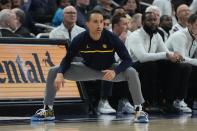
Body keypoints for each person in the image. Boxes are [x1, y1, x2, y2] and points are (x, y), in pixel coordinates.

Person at [31, 10, 149, 123]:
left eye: (101, 21)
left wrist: (116, 71)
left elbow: (127, 60)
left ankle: (139, 110)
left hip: (109, 70)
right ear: (87, 24)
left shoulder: (111, 37)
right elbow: (67, 59)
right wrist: (60, 73)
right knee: (53, 71)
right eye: (95, 21)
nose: (99, 25)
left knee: (132, 72)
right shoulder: (80, 38)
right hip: (86, 69)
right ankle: (48, 110)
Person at [125, 12, 192, 113]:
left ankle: (170, 101)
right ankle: (148, 102)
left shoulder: (156, 35)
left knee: (181, 66)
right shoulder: (136, 35)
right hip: (131, 66)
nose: (153, 22)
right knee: (151, 65)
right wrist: (167, 55)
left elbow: (167, 53)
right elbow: (142, 57)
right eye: (149, 20)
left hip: (149, 64)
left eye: (155, 20)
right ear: (143, 22)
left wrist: (177, 59)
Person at [166, 13, 197, 104]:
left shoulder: (194, 35)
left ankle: (192, 100)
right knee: (186, 67)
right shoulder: (180, 36)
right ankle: (179, 100)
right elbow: (181, 59)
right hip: (168, 64)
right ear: (189, 24)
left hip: (182, 64)